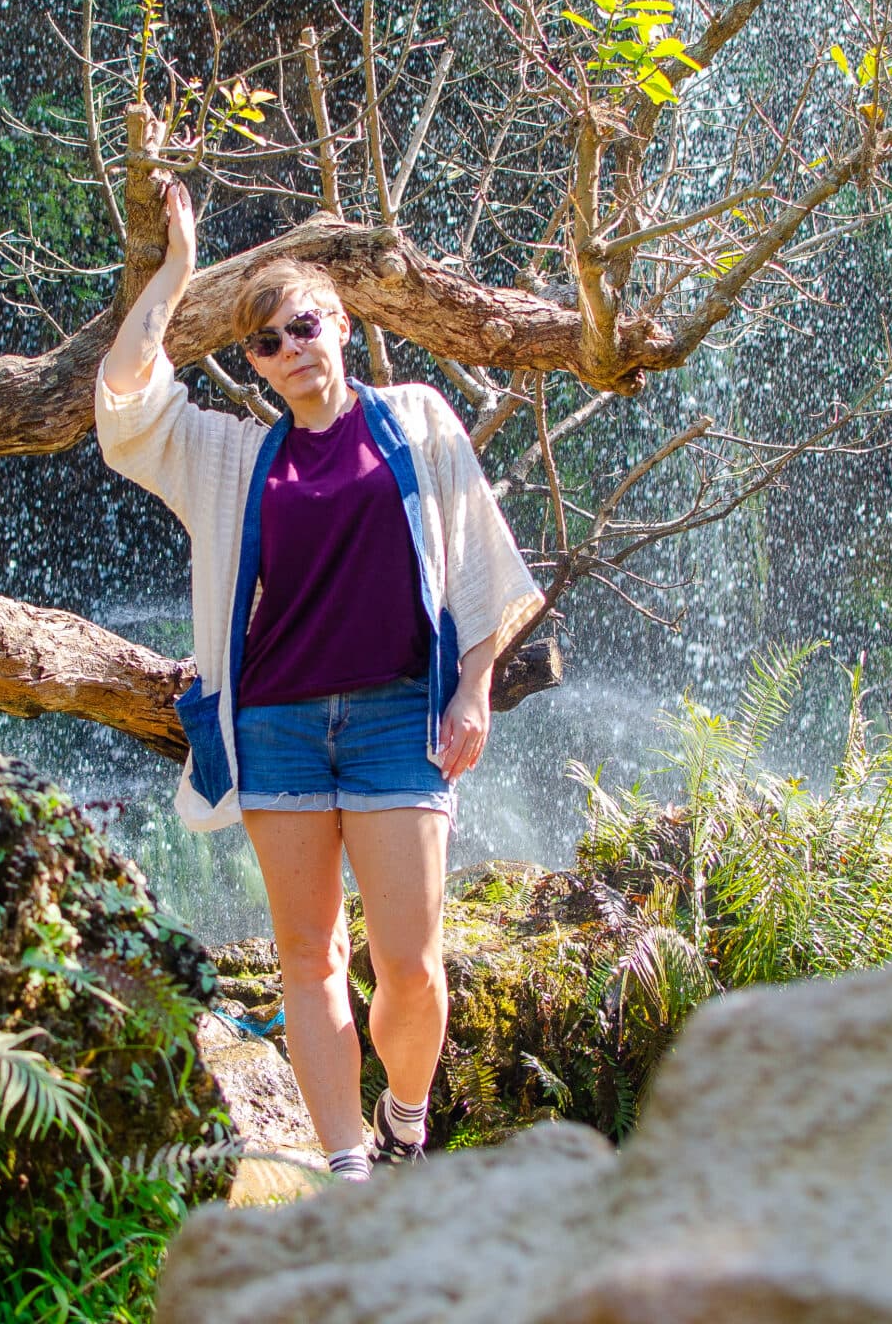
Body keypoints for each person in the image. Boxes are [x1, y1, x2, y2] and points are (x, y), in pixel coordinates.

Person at [96, 177, 542, 1180]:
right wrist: (175, 271)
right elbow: (125, 399)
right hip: (278, 728)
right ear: (252, 361)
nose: (289, 348)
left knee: (414, 969)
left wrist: (474, 685)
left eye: (302, 325)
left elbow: (479, 556)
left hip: (396, 720)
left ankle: (405, 1110)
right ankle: (346, 1165)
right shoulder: (232, 456)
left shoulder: (417, 420)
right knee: (309, 958)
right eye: (264, 341)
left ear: (339, 324)